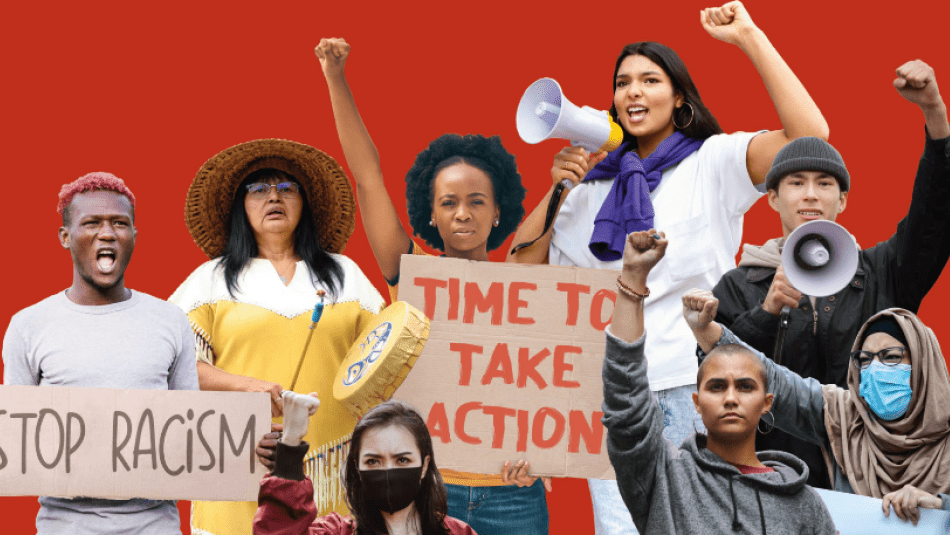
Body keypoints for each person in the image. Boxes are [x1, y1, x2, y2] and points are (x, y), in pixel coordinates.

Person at [507, 3, 830, 533]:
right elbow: (521, 274)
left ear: (679, 98)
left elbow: (809, 136)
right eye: (622, 83)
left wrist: (749, 38)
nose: (633, 92)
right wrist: (559, 187)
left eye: (650, 80)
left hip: (694, 384)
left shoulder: (714, 162)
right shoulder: (590, 191)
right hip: (616, 396)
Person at [316, 38, 547, 535]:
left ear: (498, 211)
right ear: (432, 214)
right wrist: (335, 78)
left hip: (516, 493)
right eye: (448, 203)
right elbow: (369, 177)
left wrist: (549, 454)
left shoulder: (528, 289)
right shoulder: (413, 274)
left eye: (476, 200)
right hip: (432, 491)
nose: (462, 213)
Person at [711, 58, 950, 490]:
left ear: (843, 200)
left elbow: (934, 217)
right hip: (768, 480)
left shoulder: (881, 273)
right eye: (796, 182)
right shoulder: (738, 286)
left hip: (867, 480)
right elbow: (714, 377)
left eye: (824, 184)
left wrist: (935, 115)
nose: (810, 195)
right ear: (772, 199)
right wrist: (764, 315)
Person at [169, 139, 386, 535]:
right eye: (259, 189)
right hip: (238, 463)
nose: (274, 196)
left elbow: (387, 355)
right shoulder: (210, 280)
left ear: (305, 204)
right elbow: (171, 365)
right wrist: (246, 386)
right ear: (241, 206)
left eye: (287, 188)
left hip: (332, 472)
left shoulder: (346, 275)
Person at [2, 172, 200, 534]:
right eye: (91, 223)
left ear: (134, 237)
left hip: (155, 525)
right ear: (65, 237)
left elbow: (195, 432)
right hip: (64, 526)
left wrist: (247, 447)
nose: (107, 233)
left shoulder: (171, 321)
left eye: (119, 223)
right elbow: (17, 437)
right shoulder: (28, 326)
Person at [601, 230, 835, 534]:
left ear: (768, 403)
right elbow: (625, 397)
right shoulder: (663, 477)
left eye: (745, 386)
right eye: (716, 386)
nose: (731, 397)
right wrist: (633, 277)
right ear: (696, 402)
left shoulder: (804, 502)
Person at [688, 290, 950, 526]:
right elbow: (774, 381)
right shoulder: (843, 415)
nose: (875, 369)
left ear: (923, 365)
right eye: (864, 360)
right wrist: (706, 330)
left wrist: (939, 505)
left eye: (891, 357)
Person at [254, 396, 476, 535]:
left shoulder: (458, 533)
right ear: (357, 468)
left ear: (424, 465)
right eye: (373, 461)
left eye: (402, 460)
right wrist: (291, 443)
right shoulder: (336, 532)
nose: (388, 471)